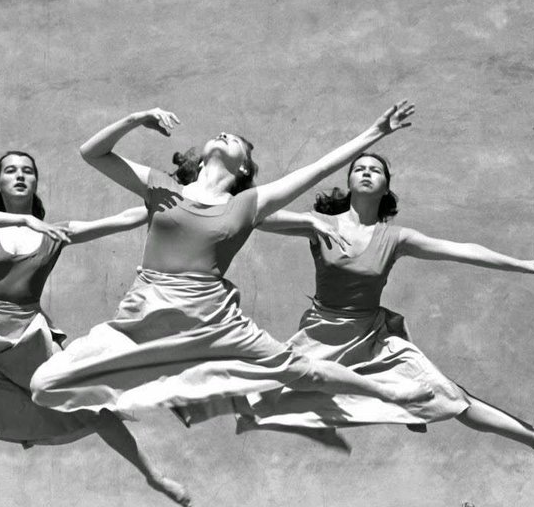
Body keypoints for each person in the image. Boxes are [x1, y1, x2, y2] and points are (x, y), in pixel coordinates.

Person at [29, 103, 434, 420]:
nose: (225, 136)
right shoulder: (163, 188)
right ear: (202, 159)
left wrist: (374, 133)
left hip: (214, 321)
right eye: (220, 136)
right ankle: (150, 389)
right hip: (144, 315)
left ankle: (390, 391)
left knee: (299, 369)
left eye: (236, 142)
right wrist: (136, 119)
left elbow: (316, 170)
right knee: (45, 384)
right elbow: (92, 153)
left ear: (242, 168)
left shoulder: (245, 205)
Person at [0, 150, 191, 507]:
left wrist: (178, 197)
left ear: (36, 181)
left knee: (96, 410)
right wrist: (25, 222)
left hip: (31, 337)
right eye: (11, 171)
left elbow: (123, 218)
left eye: (28, 171)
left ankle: (155, 477)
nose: (20, 176)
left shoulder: (55, 234)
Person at [239, 152, 534, 461]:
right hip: (322, 335)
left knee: (452, 396)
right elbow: (251, 215)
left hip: (371, 337)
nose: (365, 172)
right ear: (348, 183)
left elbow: (462, 249)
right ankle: (403, 407)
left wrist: (518, 262)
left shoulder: (396, 238)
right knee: (257, 399)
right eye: (358, 168)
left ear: (385, 188)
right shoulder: (320, 225)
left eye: (374, 170)